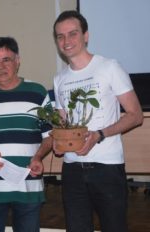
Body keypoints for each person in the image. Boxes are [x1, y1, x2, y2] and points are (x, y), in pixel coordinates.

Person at [52, 10, 144, 232]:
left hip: (107, 168)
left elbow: (135, 115)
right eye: (60, 36)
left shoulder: (109, 67)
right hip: (72, 170)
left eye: (72, 34)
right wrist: (57, 139)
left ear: (86, 36)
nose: (66, 41)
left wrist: (99, 135)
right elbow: (62, 122)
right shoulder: (59, 79)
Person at [0, 37, 53, 232]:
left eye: (6, 59)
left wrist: (38, 157)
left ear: (18, 61)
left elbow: (50, 136)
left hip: (28, 187)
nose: (0, 66)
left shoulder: (38, 93)